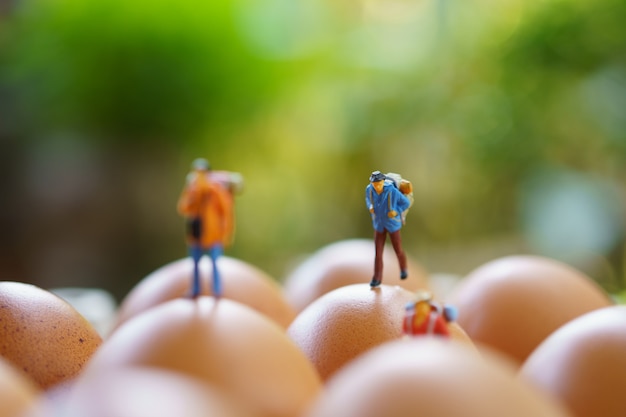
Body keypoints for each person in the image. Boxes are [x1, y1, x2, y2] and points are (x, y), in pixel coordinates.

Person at [177, 158, 241, 298]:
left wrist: (226, 232)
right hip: (196, 233)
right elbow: (183, 208)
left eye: (201, 172)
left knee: (215, 263)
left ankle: (217, 291)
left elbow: (225, 211)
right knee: (194, 263)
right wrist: (194, 196)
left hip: (213, 234)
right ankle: (195, 289)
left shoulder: (216, 191)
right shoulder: (192, 190)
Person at [365, 170, 411, 287]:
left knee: (398, 249)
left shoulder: (391, 191)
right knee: (378, 253)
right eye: (375, 184)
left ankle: (403, 268)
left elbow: (405, 203)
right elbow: (368, 200)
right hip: (379, 224)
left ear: (383, 181)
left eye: (379, 183)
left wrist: (396, 211)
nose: (377, 186)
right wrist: (370, 206)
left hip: (392, 224)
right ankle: (377, 277)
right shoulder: (369, 190)